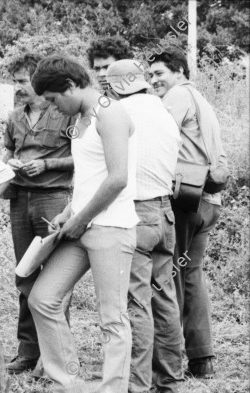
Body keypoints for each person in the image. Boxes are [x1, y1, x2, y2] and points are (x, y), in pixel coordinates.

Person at [29, 55, 137, 392]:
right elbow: (91, 175)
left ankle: (113, 388)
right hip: (81, 223)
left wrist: (81, 219)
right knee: (42, 299)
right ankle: (69, 381)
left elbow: (117, 178)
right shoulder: (80, 120)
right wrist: (68, 211)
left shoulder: (111, 113)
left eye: (53, 99)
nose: (53, 107)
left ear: (72, 86)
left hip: (111, 227)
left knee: (113, 318)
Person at [149, 47, 229, 379]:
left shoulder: (178, 95)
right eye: (150, 75)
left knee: (170, 279)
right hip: (208, 198)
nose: (154, 80)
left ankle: (169, 365)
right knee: (191, 276)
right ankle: (202, 359)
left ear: (180, 71)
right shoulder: (201, 100)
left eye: (159, 74)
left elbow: (156, 135)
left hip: (185, 198)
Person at [107, 59, 184, 393]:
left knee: (136, 302)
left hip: (137, 212)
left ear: (114, 87)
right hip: (165, 210)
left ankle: (138, 385)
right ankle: (170, 378)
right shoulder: (163, 110)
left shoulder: (123, 114)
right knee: (164, 296)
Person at [3, 52, 75, 374]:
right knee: (26, 274)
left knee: (56, 279)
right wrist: (11, 164)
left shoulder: (65, 113)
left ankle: (54, 357)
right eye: (15, 81)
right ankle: (27, 352)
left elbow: (81, 157)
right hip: (20, 200)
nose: (18, 87)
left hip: (54, 200)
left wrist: (47, 164)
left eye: (22, 81)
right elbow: (6, 153)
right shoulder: (14, 117)